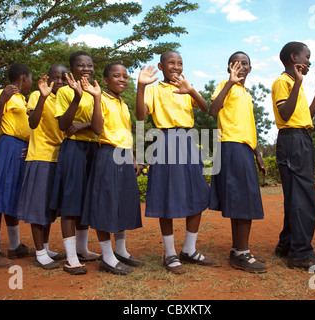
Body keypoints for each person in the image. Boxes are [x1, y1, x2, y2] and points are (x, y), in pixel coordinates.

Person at [136, 51, 213, 274]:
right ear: (161, 67)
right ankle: (170, 254)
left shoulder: (186, 86)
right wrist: (141, 87)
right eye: (171, 63)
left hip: (189, 140)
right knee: (165, 194)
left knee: (198, 193)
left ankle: (189, 250)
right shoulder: (153, 89)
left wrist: (191, 90)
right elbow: (141, 116)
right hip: (166, 141)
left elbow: (205, 108)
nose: (176, 67)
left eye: (180, 63)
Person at [271, 41, 315, 273]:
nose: (310, 61)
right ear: (294, 57)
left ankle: (287, 245)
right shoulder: (284, 82)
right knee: (303, 197)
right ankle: (301, 253)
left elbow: (306, 116)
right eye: (307, 56)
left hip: (301, 137)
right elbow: (285, 113)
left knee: (297, 195)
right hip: (292, 140)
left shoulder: (294, 84)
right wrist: (298, 83)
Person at [209, 52, 267, 273]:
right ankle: (241, 253)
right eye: (235, 63)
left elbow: (249, 127)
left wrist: (257, 154)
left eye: (245, 63)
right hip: (230, 145)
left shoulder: (246, 94)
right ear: (228, 68)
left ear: (250, 69)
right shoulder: (226, 85)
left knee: (241, 199)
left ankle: (238, 249)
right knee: (243, 199)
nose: (240, 66)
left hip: (244, 148)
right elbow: (213, 110)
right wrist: (229, 84)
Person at [82, 63, 143, 275]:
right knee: (106, 204)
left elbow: (126, 131)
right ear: (106, 80)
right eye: (116, 76)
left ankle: (121, 251)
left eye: (125, 76)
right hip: (108, 154)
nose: (122, 80)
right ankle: (107, 258)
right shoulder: (98, 98)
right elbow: (97, 129)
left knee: (122, 202)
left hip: (125, 155)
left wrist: (133, 156)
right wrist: (97, 98)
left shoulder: (123, 104)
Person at [0, 63, 35, 268]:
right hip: (8, 147)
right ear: (23, 78)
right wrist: (1, 100)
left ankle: (15, 245)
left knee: (12, 197)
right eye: (30, 78)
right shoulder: (3, 93)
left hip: (21, 148)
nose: (31, 82)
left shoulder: (21, 98)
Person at [50, 51, 102, 275]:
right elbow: (63, 124)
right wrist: (77, 97)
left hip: (93, 149)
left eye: (89, 65)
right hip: (73, 149)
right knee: (71, 202)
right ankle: (71, 257)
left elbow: (101, 125)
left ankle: (82, 248)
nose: (86, 69)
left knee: (85, 201)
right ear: (72, 69)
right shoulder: (64, 91)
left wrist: (86, 124)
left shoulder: (96, 92)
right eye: (81, 66)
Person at [16, 64, 69, 270]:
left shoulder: (67, 99)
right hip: (40, 156)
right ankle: (39, 252)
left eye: (64, 79)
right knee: (38, 206)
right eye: (56, 78)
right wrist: (44, 97)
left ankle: (46, 248)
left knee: (49, 207)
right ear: (49, 79)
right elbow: (32, 122)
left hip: (59, 158)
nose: (60, 83)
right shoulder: (38, 95)